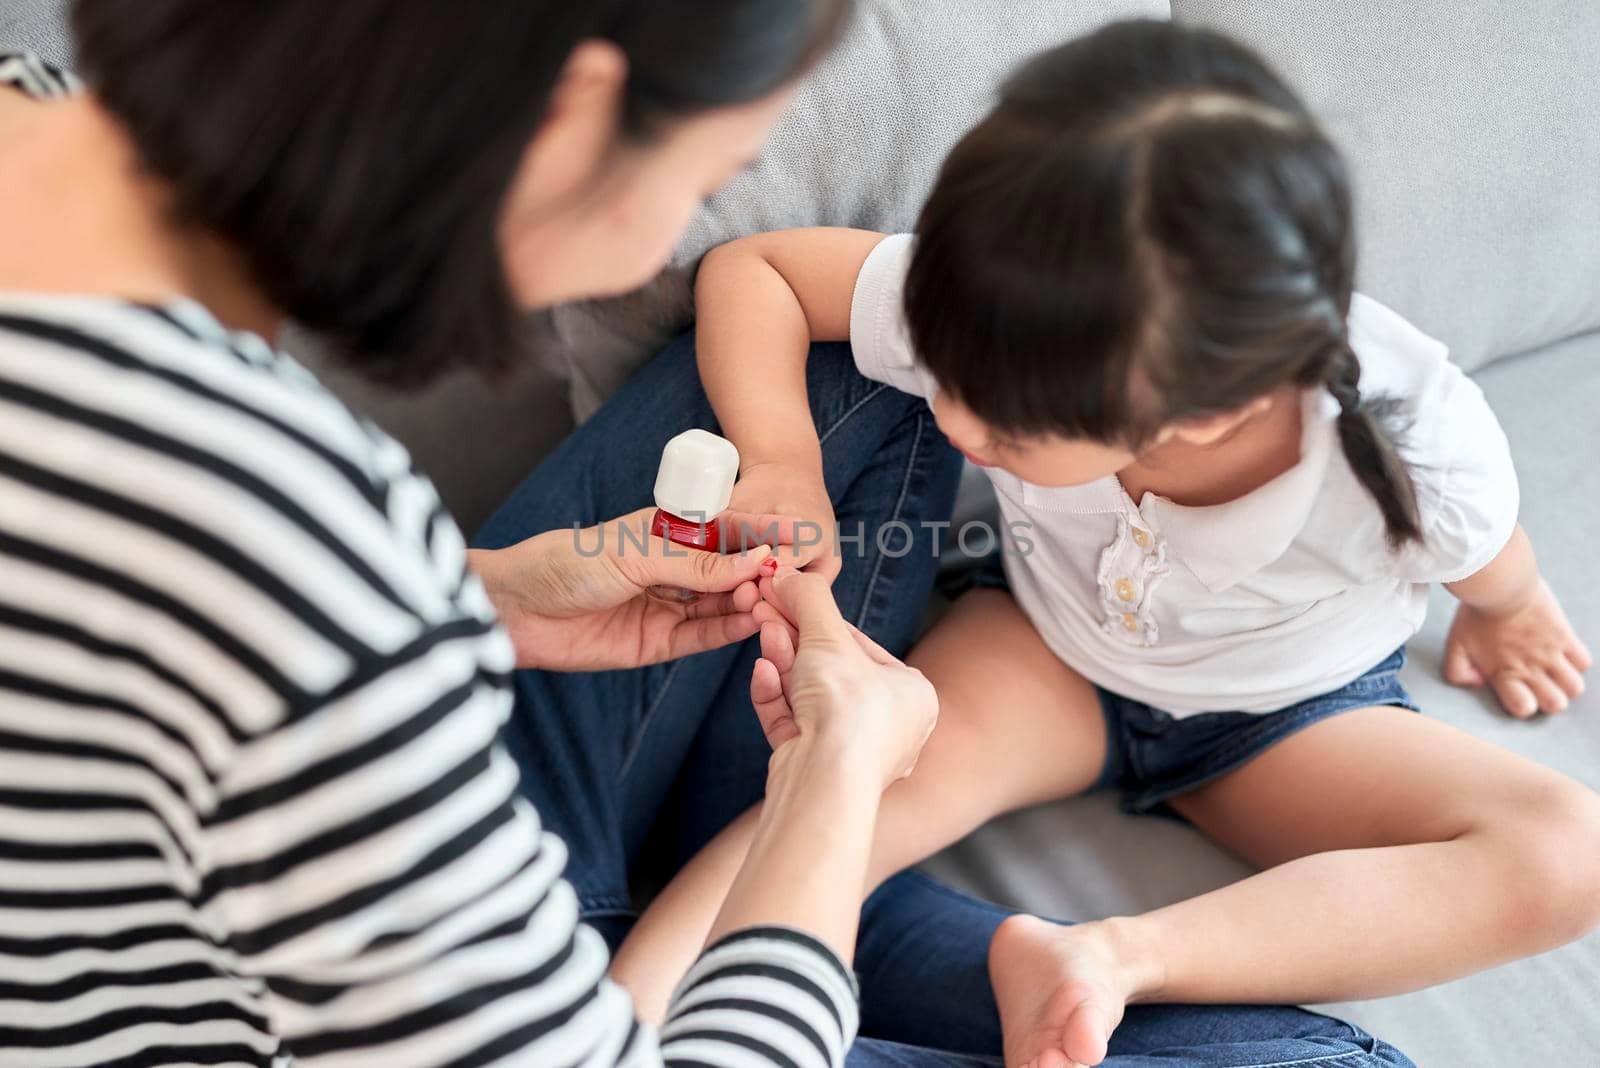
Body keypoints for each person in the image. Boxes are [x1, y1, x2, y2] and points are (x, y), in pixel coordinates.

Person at [0, 4, 1415, 1066]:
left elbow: (154, 668)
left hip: (427, 878)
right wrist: (829, 791)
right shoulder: (285, 556)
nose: (657, 250)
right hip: (448, 1015)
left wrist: (476, 597)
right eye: (697, 177)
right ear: (573, 112)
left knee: (877, 350)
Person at [609, 19, 1600, 1068]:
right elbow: (756, 269)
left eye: (1005, 430)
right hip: (1042, 651)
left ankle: (1114, 957)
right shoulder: (1010, 310)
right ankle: (614, 1017)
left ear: (1203, 414)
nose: (948, 424)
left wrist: (1506, 610)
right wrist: (780, 457)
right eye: (943, 380)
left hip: (1283, 716)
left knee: (1568, 850)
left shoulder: (1414, 443)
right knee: (826, 802)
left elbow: (1483, 553)